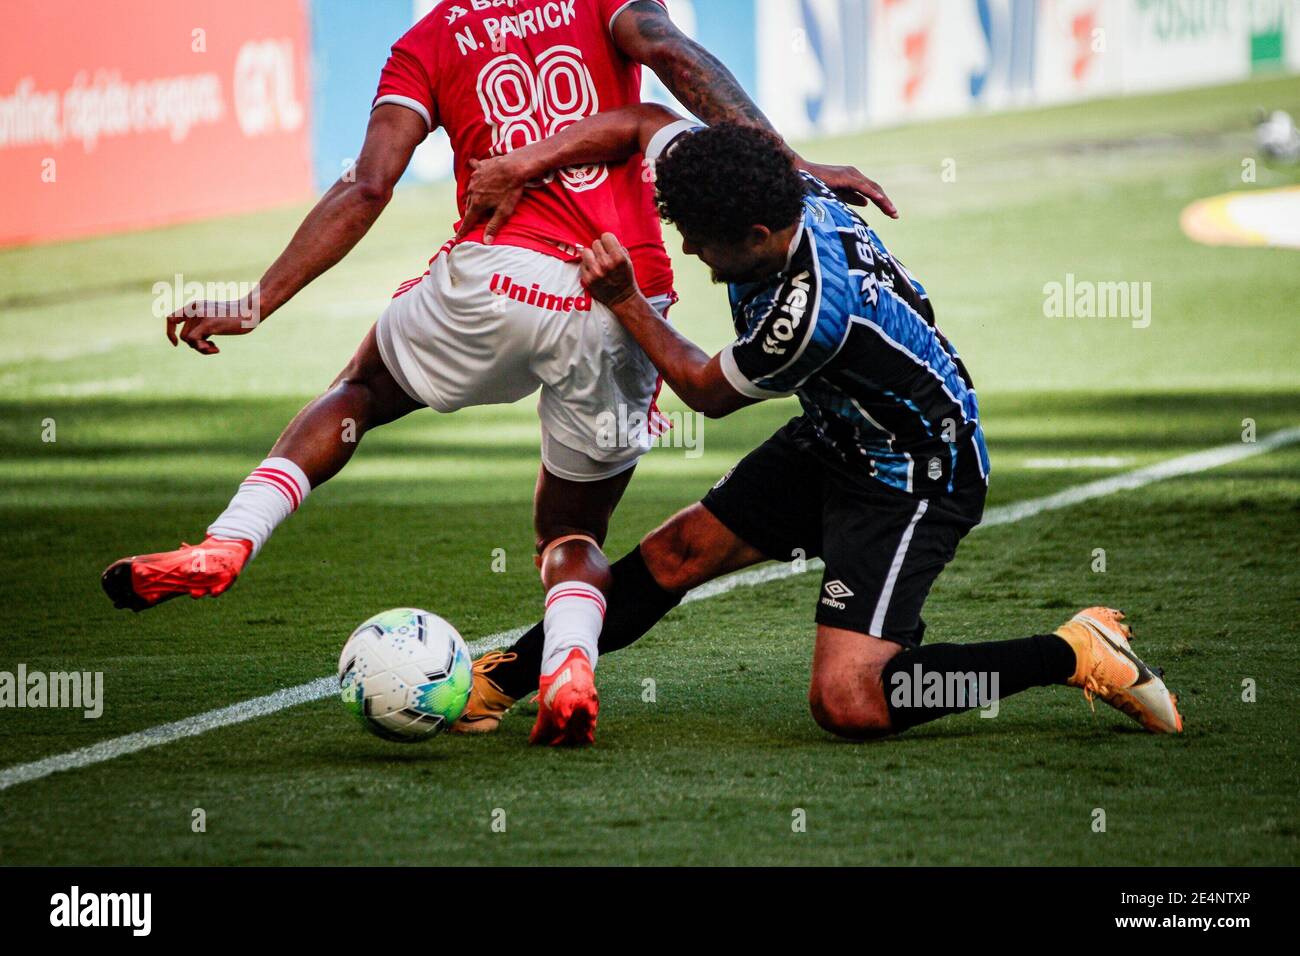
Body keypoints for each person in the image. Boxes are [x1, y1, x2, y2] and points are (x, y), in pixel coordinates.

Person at [100, 1, 896, 747]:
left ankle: (229, 541)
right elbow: (670, 59)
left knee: (360, 393)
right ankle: (567, 669)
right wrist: (790, 164)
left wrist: (257, 301)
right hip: (618, 295)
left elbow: (368, 184)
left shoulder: (430, 38)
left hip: (493, 282)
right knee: (573, 531)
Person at [450, 108, 1184, 740]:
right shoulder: (769, 184)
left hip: (913, 473)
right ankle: (502, 682)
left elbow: (705, 391)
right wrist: (522, 163)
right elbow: (645, 120)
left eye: (706, 244)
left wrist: (625, 299)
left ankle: (1072, 651)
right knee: (677, 552)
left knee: (850, 701)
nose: (695, 256)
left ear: (761, 235)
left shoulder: (810, 316)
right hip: (839, 436)